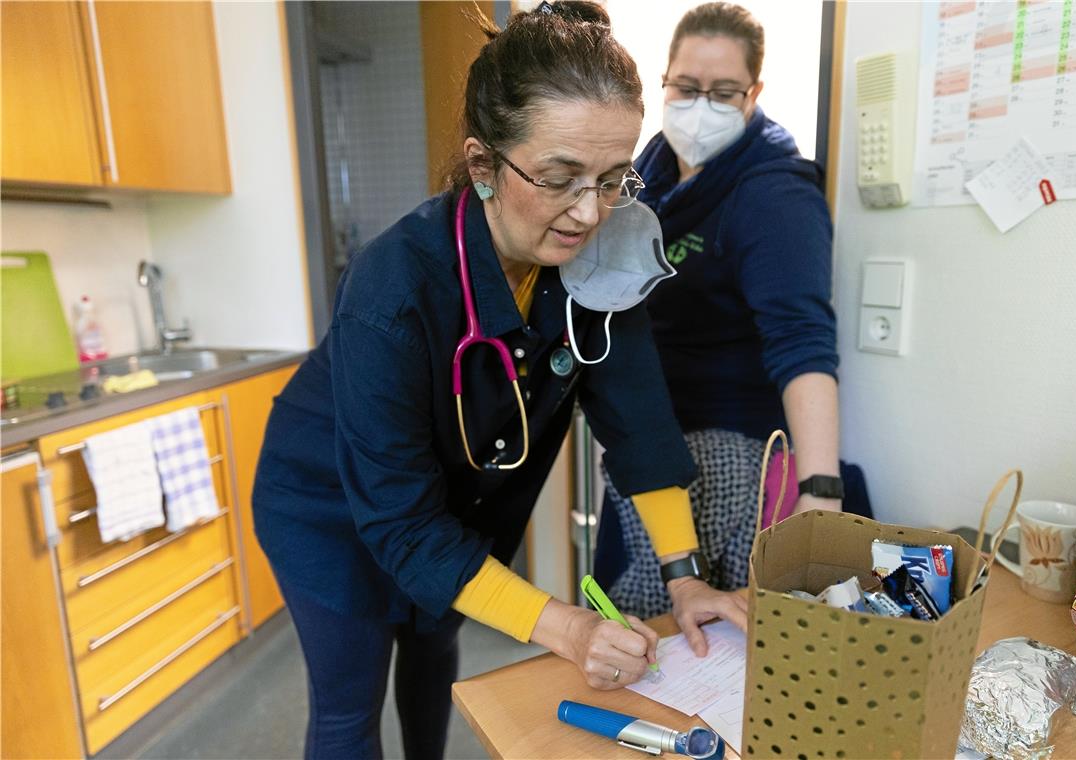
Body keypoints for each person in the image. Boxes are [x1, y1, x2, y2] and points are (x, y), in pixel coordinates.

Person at [251, 3, 745, 758]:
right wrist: (568, 626)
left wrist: (685, 576)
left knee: (431, 644)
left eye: (614, 179)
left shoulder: (601, 254)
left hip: (453, 498)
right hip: (328, 503)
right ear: (483, 164)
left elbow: (640, 423)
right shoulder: (394, 289)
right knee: (349, 706)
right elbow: (402, 525)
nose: (589, 212)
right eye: (559, 178)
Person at [594, 2, 873, 620]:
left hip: (732, 460)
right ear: (663, 83)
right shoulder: (648, 175)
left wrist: (820, 492)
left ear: (754, 94)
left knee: (710, 648)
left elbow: (802, 339)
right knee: (628, 638)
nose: (700, 106)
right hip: (645, 445)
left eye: (723, 93)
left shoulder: (774, 193)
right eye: (687, 88)